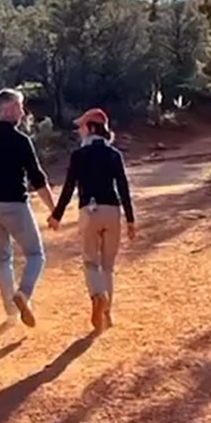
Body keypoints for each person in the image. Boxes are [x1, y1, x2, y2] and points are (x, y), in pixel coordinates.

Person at [0, 88, 57, 328]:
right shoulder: (20, 141)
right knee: (36, 255)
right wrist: (53, 209)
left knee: (3, 258)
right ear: (9, 108)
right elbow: (37, 178)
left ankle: (11, 314)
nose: (23, 112)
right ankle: (23, 294)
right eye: (20, 107)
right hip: (14, 204)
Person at [48, 108, 136, 333]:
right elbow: (123, 187)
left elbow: (68, 188)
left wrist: (57, 215)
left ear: (91, 128)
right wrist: (131, 220)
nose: (79, 130)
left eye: (81, 126)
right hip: (113, 211)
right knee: (108, 266)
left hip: (89, 211)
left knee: (90, 262)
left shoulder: (79, 155)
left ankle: (98, 296)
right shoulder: (114, 154)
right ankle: (107, 314)